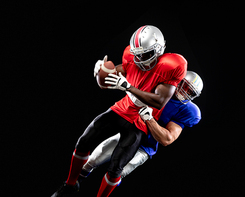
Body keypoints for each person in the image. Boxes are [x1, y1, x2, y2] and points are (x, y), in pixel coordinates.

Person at [51, 25, 187, 197]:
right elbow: (118, 73)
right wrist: (102, 73)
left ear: (158, 50)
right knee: (84, 141)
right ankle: (70, 185)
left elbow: (159, 102)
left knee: (116, 167)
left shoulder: (171, 66)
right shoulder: (131, 56)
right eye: (137, 53)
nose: (139, 59)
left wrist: (128, 87)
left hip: (141, 120)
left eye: (144, 54)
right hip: (122, 108)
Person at [78, 71, 203, 190]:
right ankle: (72, 185)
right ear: (179, 81)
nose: (185, 93)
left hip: (144, 147)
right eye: (185, 87)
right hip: (128, 134)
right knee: (91, 161)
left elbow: (167, 139)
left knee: (115, 175)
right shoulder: (160, 85)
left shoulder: (188, 111)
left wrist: (149, 119)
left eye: (190, 92)